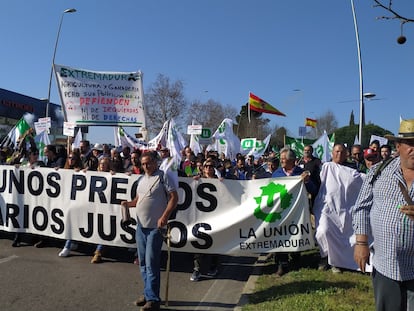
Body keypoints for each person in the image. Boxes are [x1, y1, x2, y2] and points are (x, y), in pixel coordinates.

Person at [352, 119, 414, 311]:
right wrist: (361, 243)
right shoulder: (379, 171)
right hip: (386, 264)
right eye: (410, 144)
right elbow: (361, 207)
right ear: (398, 145)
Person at [121, 151, 178, 311]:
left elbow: (174, 197)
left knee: (151, 263)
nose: (146, 166)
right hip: (141, 226)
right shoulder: (141, 179)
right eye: (143, 163)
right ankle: (148, 293)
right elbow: (139, 200)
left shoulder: (163, 177)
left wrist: (164, 217)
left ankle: (153, 299)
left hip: (155, 227)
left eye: (149, 163)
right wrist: (128, 204)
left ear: (155, 162)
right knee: (143, 263)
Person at [313, 143, 364, 273]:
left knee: (343, 235)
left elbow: (360, 181)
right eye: (336, 151)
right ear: (332, 153)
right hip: (326, 207)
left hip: (345, 208)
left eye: (341, 152)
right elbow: (315, 183)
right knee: (322, 231)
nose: (339, 154)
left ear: (346, 153)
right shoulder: (325, 168)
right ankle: (325, 257)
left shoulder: (351, 169)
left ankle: (336, 262)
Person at [271, 147, 317, 276]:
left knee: (295, 233)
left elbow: (313, 190)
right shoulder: (277, 174)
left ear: (292, 160)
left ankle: (296, 257)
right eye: (281, 160)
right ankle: (282, 263)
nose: (281, 162)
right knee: (280, 234)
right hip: (281, 211)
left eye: (284, 159)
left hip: (297, 211)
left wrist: (307, 181)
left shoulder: (301, 173)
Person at [190, 159, 221, 282]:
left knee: (214, 242)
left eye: (211, 166)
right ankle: (197, 269)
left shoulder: (220, 181)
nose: (208, 168)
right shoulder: (197, 180)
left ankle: (213, 266)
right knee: (198, 242)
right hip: (201, 217)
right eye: (206, 166)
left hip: (215, 217)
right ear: (202, 168)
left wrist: (223, 183)